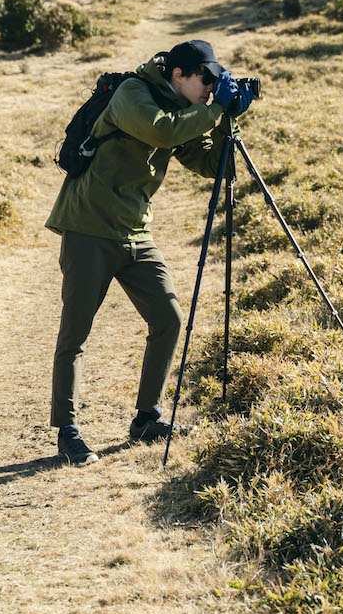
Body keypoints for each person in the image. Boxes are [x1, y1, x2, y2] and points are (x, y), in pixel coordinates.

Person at [45, 40, 253, 465]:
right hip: (89, 226)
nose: (211, 88)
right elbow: (163, 130)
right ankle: (67, 432)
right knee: (76, 334)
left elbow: (215, 167)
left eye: (217, 82)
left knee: (169, 318)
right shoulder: (133, 95)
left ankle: (146, 418)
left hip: (136, 232)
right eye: (206, 79)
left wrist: (225, 119)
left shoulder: (185, 110)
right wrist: (213, 110)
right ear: (178, 74)